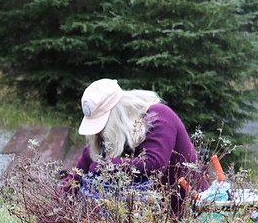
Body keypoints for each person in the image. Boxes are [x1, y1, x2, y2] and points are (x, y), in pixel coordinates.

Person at [63, 78, 206, 211]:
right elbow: (75, 179)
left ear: (116, 116)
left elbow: (153, 163)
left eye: (102, 125)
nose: (99, 133)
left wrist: (103, 166)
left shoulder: (159, 116)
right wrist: (48, 222)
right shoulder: (111, 139)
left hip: (191, 216)